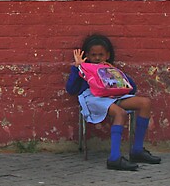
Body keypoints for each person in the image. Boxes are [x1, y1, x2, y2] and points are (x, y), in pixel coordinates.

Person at [66, 34, 162, 171]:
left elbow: (132, 88)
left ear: (108, 55)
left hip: (112, 96)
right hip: (92, 98)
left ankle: (137, 150)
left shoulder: (108, 68)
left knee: (145, 103)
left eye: (101, 54)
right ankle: (114, 158)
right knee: (120, 113)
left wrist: (113, 71)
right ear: (87, 55)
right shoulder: (84, 69)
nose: (97, 58)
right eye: (93, 55)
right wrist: (77, 68)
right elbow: (71, 90)